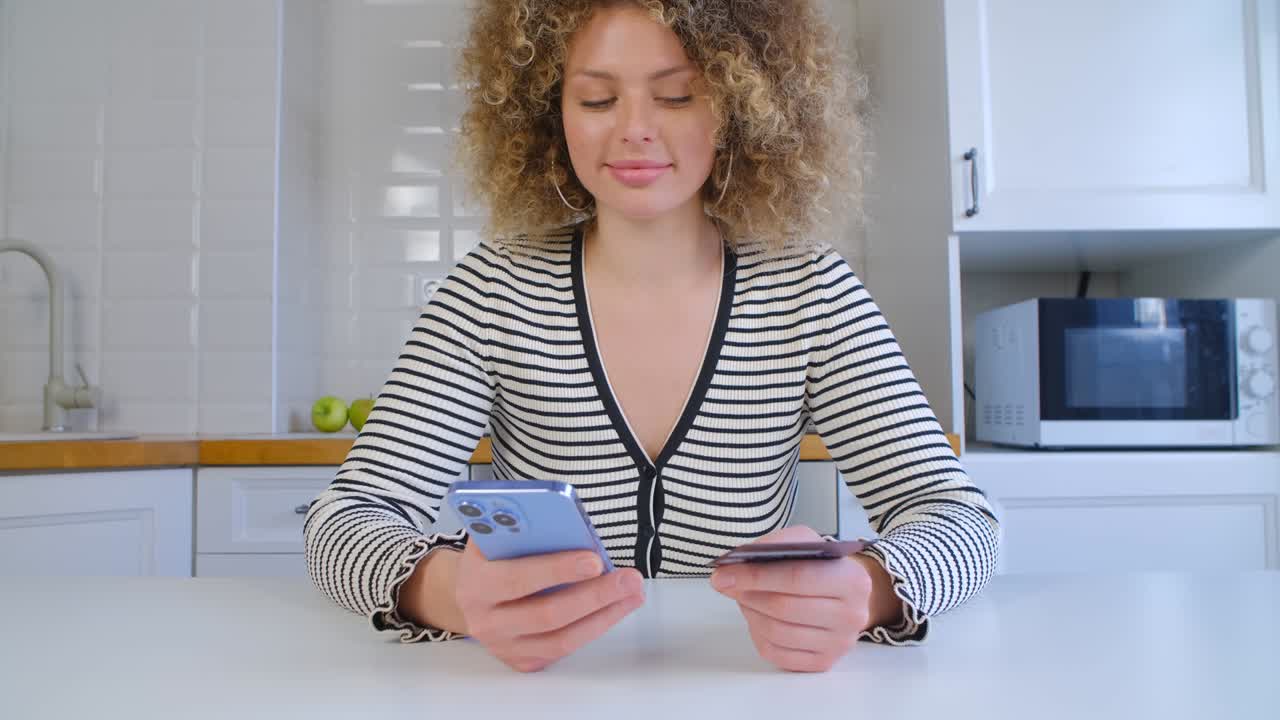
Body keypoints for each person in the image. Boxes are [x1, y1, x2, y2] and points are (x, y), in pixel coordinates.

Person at [304, 0, 1001, 674]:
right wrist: (448, 591)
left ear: (735, 109)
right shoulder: (493, 289)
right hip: (543, 695)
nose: (635, 130)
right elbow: (343, 523)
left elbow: (963, 522)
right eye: (597, 100)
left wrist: (873, 589)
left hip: (742, 691)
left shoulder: (808, 290)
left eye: (676, 97)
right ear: (552, 115)